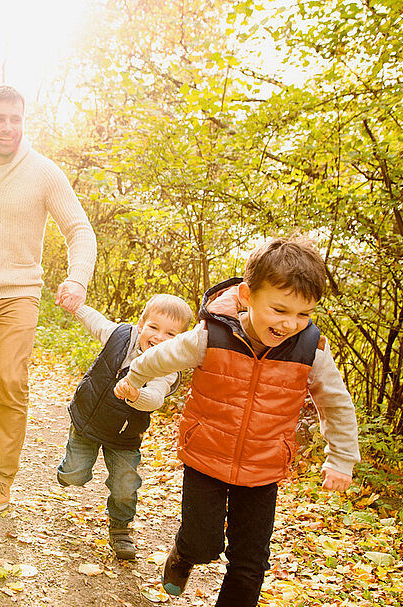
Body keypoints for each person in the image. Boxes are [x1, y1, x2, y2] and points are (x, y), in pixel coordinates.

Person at [116, 236, 360, 607]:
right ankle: (183, 553)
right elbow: (160, 358)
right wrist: (134, 378)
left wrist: (341, 458)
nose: (291, 324)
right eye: (279, 310)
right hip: (205, 457)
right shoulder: (210, 336)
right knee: (202, 543)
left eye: (304, 314)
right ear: (247, 296)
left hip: (263, 468)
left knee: (249, 563)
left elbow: (337, 404)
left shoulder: (311, 351)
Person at [0, 85, 96, 512]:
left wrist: (77, 279)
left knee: (10, 379)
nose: (7, 127)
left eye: (15, 119)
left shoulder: (44, 173)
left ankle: (0, 480)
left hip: (19, 294)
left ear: (24, 122)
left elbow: (79, 229)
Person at [57, 294, 193, 560]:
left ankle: (120, 528)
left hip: (124, 434)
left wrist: (134, 394)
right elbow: (96, 322)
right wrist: (77, 307)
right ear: (141, 323)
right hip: (89, 420)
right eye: (154, 327)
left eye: (170, 333)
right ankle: (69, 471)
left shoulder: (168, 366)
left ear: (179, 339)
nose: (159, 337)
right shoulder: (120, 335)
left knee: (125, 485)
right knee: (75, 475)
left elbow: (154, 398)